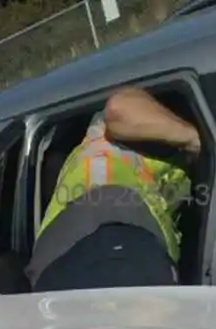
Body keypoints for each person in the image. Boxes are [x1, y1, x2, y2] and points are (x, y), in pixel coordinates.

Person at [27, 87, 201, 292]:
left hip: (66, 253)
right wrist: (195, 138)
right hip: (103, 231)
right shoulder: (109, 134)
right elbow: (118, 108)